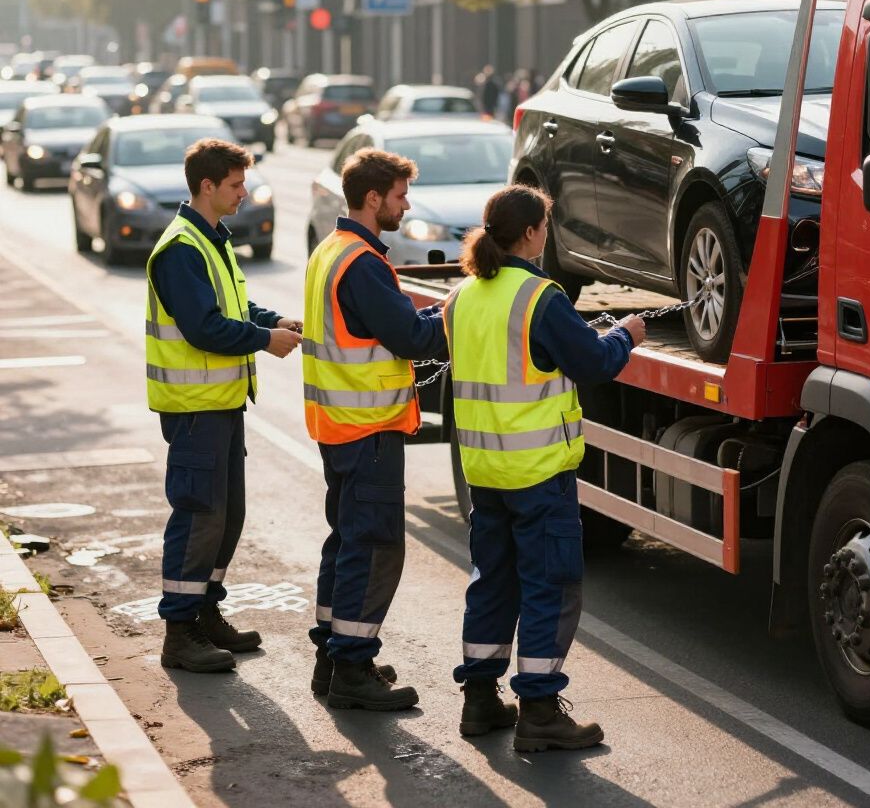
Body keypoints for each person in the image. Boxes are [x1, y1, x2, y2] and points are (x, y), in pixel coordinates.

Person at [444, 185, 645, 751]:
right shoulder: (539, 296)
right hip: (537, 471)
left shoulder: (461, 296)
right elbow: (592, 362)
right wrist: (624, 336)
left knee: (492, 582)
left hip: (484, 470)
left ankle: (480, 700)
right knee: (549, 587)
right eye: (545, 227)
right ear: (531, 233)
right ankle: (538, 710)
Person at [146, 138, 303, 673]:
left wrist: (271, 320)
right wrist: (263, 340)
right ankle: (179, 631)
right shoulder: (182, 247)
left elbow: (232, 304)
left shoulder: (211, 239)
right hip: (194, 408)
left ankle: (206, 612)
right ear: (207, 186)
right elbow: (204, 326)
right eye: (235, 185)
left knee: (226, 515)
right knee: (198, 516)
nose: (244, 193)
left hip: (219, 403)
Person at [303, 148, 447, 711]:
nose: (405, 205)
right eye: (400, 195)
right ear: (372, 198)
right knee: (375, 547)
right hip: (369, 428)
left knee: (345, 542)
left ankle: (332, 657)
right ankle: (353, 669)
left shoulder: (329, 252)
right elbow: (411, 337)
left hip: (338, 425)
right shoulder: (362, 262)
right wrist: (455, 314)